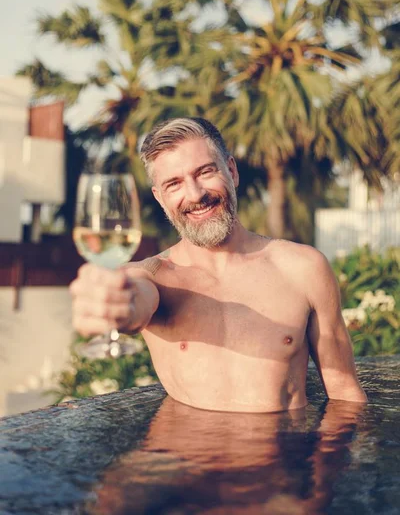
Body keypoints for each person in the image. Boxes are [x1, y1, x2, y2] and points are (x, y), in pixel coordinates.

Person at [70, 117, 367, 412]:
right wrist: (115, 304)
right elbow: (134, 300)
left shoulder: (304, 268)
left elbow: (344, 393)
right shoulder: (154, 277)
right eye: (174, 184)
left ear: (232, 171)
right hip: (192, 457)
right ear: (160, 199)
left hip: (286, 456)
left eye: (205, 172)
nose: (196, 194)